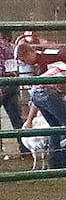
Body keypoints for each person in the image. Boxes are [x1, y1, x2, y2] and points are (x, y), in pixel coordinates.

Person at [0, 28, 29, 160]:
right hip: (12, 82)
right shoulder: (12, 47)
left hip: (2, 82)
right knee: (16, 118)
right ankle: (25, 149)